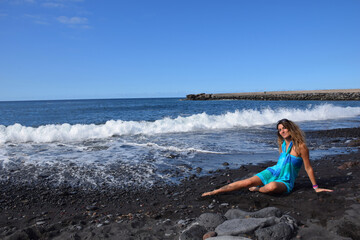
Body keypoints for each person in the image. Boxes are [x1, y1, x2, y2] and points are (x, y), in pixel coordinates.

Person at [202, 119, 333, 197]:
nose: (282, 131)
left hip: (285, 180)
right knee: (246, 182)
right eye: (280, 129)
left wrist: (316, 187)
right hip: (273, 171)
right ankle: (215, 192)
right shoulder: (282, 144)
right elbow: (282, 163)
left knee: (271, 187)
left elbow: (308, 167)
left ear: (291, 129)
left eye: (284, 128)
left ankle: (259, 189)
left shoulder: (301, 146)